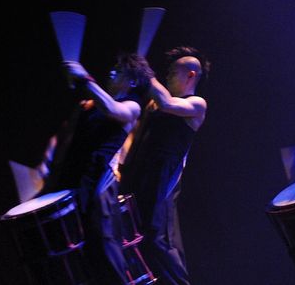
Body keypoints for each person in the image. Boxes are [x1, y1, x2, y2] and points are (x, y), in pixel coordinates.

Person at [42, 53, 153, 284]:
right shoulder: (94, 104)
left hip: (101, 184)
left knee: (104, 244)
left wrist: (86, 79)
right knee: (83, 249)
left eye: (119, 71)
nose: (111, 73)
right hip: (78, 180)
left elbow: (113, 109)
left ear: (133, 81)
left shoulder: (131, 106)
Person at [120, 46, 210, 284]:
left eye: (172, 71)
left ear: (191, 75)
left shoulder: (196, 104)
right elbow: (136, 135)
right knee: (139, 236)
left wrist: (145, 73)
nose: (167, 75)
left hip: (165, 178)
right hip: (142, 173)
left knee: (158, 238)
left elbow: (168, 103)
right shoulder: (154, 105)